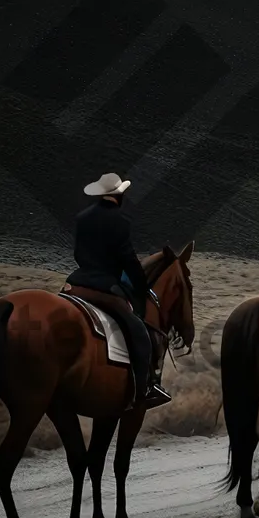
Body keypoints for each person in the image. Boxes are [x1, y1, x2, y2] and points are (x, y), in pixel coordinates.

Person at [64, 172, 171, 408]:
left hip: (76, 282)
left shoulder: (82, 217)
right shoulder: (120, 221)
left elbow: (78, 254)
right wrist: (141, 287)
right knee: (139, 333)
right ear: (119, 195)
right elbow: (128, 260)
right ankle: (143, 390)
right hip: (104, 286)